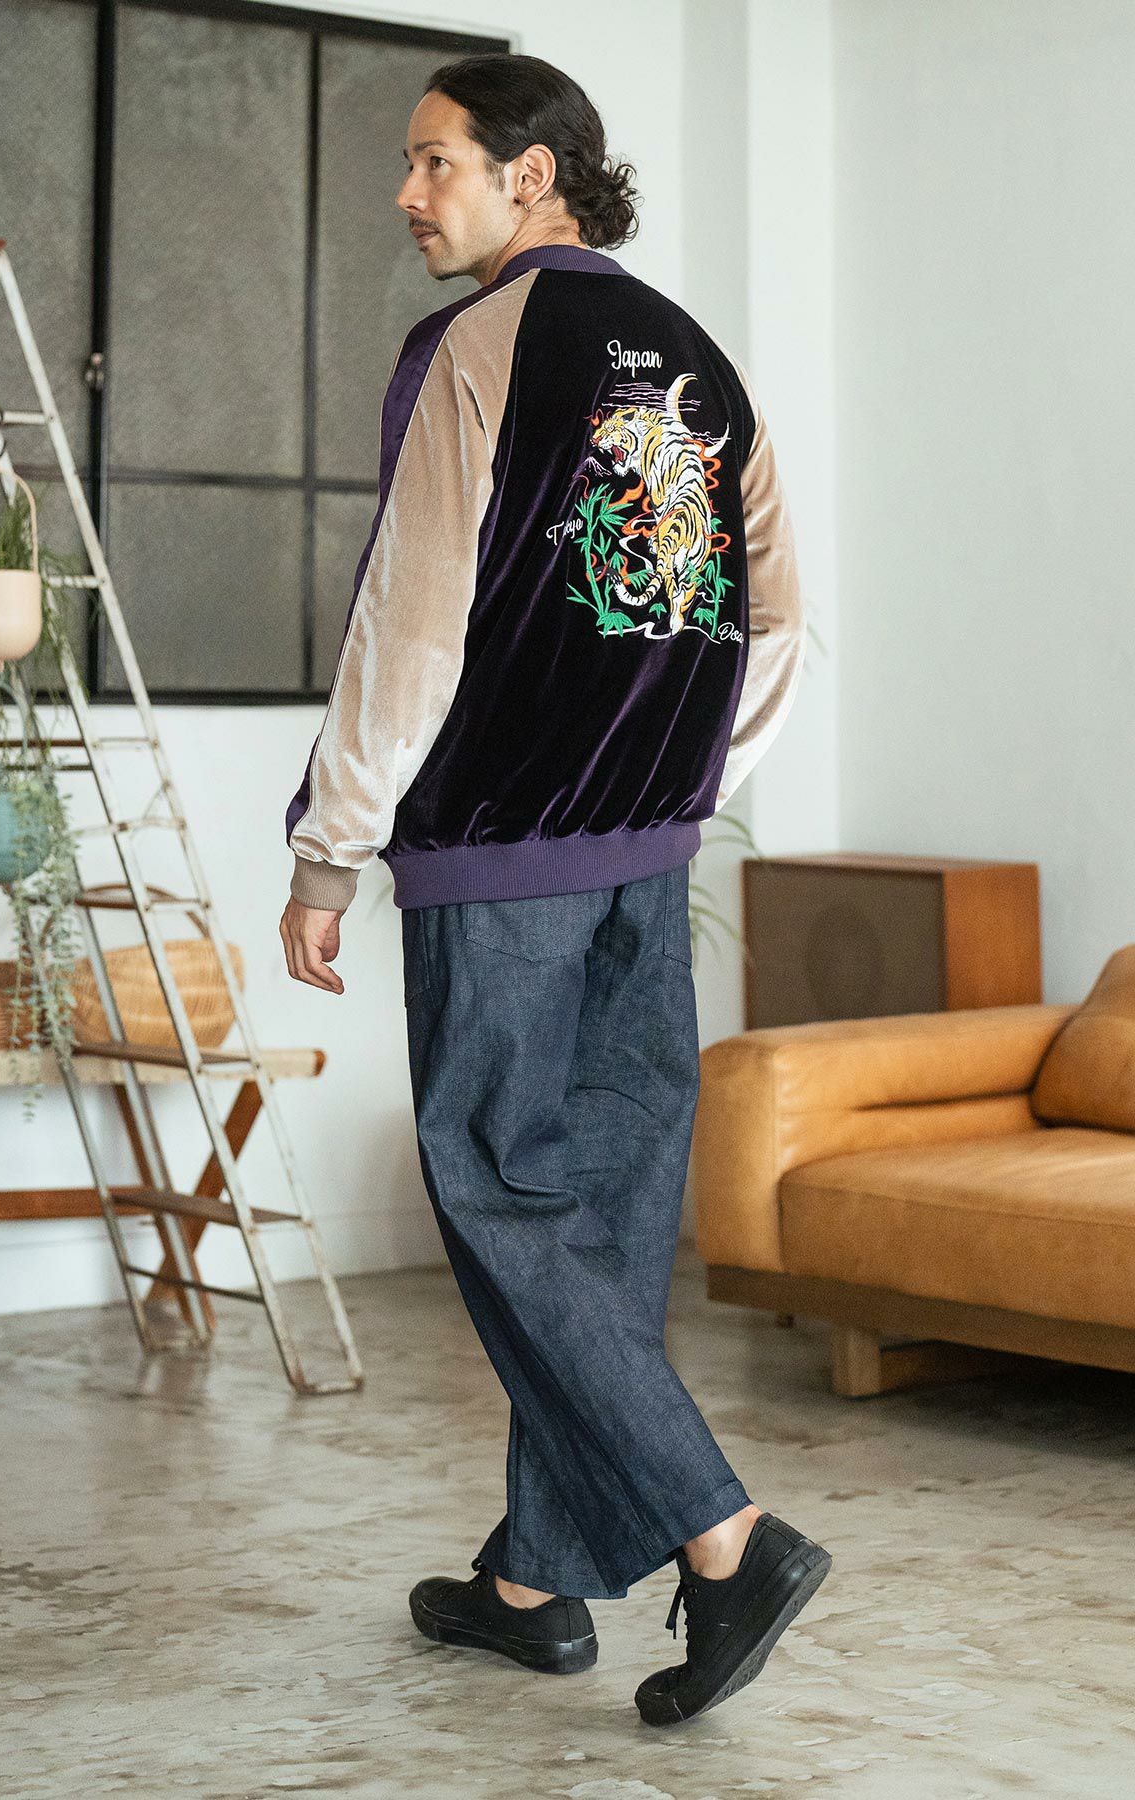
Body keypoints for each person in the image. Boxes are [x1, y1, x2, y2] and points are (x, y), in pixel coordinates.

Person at [278, 51, 826, 1726]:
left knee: (502, 1196)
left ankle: (726, 1539)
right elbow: (777, 623)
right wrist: (671, 779)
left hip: (502, 852)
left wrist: (330, 844)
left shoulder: (476, 346)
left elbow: (413, 618)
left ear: (533, 175)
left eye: (433, 161)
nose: (407, 193)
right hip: (647, 856)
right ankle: (536, 1580)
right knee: (601, 1214)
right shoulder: (702, 358)